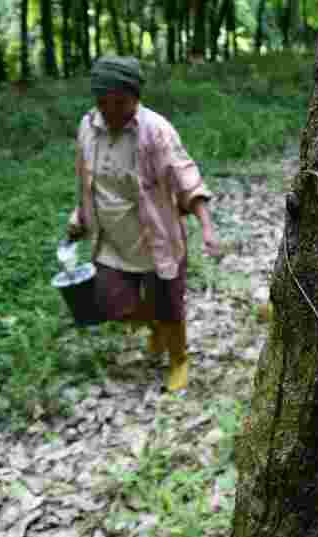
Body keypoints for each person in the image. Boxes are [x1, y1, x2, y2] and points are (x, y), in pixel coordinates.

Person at [67, 55, 220, 393]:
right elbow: (87, 180)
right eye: (102, 101)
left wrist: (207, 228)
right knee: (111, 304)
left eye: (119, 102)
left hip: (157, 240)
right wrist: (79, 216)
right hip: (112, 242)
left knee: (170, 307)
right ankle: (157, 329)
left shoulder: (156, 131)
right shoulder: (88, 127)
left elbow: (186, 178)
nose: (110, 109)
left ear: (135, 97)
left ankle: (179, 359)